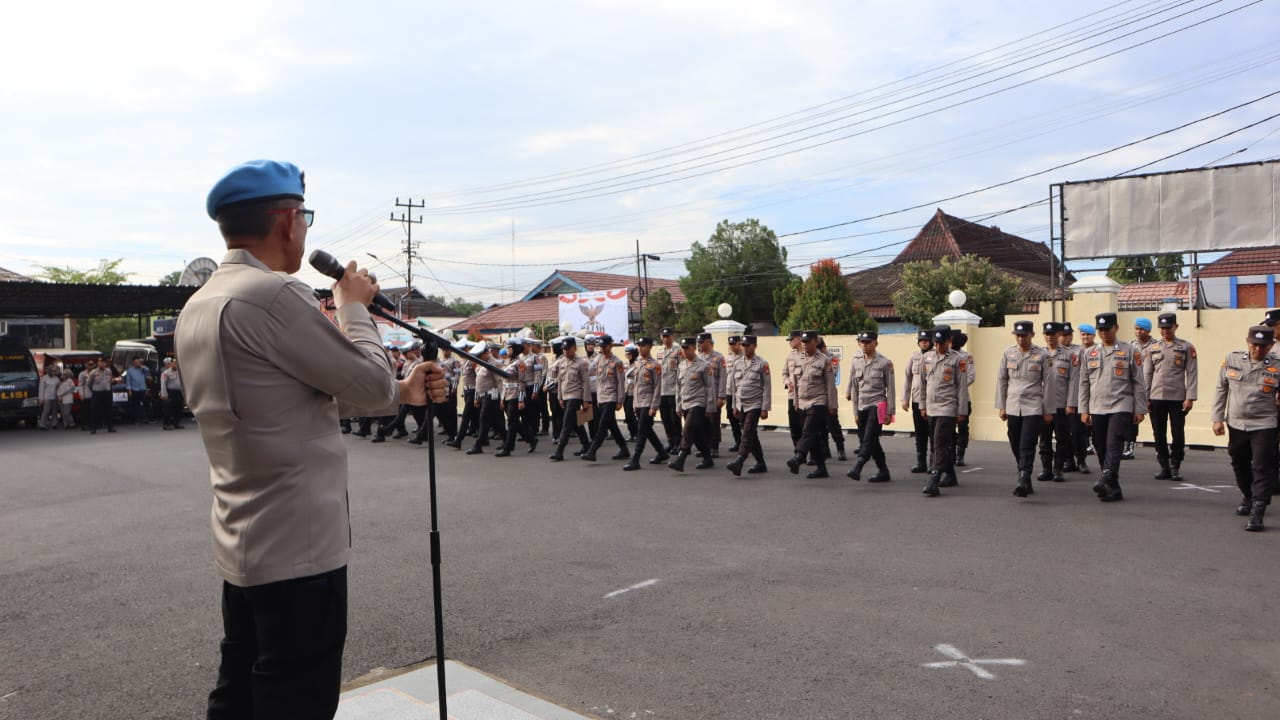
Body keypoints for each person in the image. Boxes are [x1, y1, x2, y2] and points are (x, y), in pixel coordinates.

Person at [178, 159, 445, 720]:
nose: (304, 229)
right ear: (287, 220)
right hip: (298, 551)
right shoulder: (273, 295)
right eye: (305, 217)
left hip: (243, 538)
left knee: (240, 690)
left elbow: (287, 401)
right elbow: (367, 382)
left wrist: (403, 391)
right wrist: (353, 306)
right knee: (296, 698)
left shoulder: (201, 303)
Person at [1212, 325, 1280, 531]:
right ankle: (1248, 496)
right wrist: (1217, 418)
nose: (1258, 349)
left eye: (1263, 346)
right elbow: (1221, 388)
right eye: (1254, 345)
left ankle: (1258, 511)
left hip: (1264, 423)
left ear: (1271, 345)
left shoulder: (1277, 365)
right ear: (1247, 342)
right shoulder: (1232, 359)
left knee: (1262, 466)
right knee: (1239, 463)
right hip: (1237, 423)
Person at [1074, 312, 1147, 503]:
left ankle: (1106, 476)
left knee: (1114, 442)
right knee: (1100, 445)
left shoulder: (1130, 351)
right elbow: (1083, 383)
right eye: (1100, 330)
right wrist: (1083, 409)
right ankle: (1112, 487)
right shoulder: (1089, 353)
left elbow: (1138, 382)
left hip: (1121, 404)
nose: (1104, 333)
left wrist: (1140, 409)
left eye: (1107, 329)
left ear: (1116, 328)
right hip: (1097, 406)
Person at [995, 321, 1053, 498]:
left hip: (1033, 406)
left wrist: (1048, 410)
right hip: (1013, 405)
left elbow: (1049, 384)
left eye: (1024, 335)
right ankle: (1023, 473)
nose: (1021, 339)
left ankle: (1024, 476)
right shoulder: (1008, 353)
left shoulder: (1042, 355)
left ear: (1032, 335)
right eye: (1018, 335)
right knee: (1015, 440)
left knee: (1027, 442)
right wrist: (1002, 405)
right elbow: (1002, 379)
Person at [1144, 313, 1197, 480]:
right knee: (1158, 433)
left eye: (1168, 327)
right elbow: (1147, 374)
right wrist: (1145, 398)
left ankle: (1175, 465)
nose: (1165, 331)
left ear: (1176, 327)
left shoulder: (1186, 347)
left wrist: (1190, 397)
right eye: (1162, 328)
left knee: (1177, 432)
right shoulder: (1152, 348)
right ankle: (1164, 465)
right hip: (1156, 396)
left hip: (1177, 397)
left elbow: (1192, 373)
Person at [919, 326, 970, 496]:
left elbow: (962, 387)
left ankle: (934, 479)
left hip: (948, 407)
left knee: (940, 442)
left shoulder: (958, 360)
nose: (938, 346)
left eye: (942, 343)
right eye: (936, 343)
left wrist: (961, 411)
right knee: (936, 443)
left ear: (949, 341)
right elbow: (922, 383)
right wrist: (922, 405)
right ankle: (951, 475)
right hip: (931, 407)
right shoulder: (927, 358)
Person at [785, 330, 839, 480]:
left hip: (818, 401)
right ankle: (821, 468)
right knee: (813, 436)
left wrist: (832, 405)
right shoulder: (798, 359)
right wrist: (796, 402)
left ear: (816, 341)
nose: (804, 344)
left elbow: (830, 385)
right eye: (803, 341)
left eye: (808, 341)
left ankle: (799, 457)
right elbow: (796, 383)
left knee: (808, 431)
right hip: (802, 402)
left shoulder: (824, 360)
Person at [844, 331, 894, 483]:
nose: (864, 345)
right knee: (869, 439)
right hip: (862, 405)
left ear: (876, 343)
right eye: (862, 342)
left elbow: (891, 389)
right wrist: (855, 411)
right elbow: (855, 388)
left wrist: (890, 412)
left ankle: (859, 465)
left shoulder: (885, 362)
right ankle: (883, 471)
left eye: (868, 342)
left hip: (878, 404)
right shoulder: (856, 361)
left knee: (869, 436)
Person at [725, 334, 771, 476]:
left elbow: (767, 387)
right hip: (741, 404)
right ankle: (761, 463)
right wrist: (734, 406)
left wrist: (765, 408)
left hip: (755, 404)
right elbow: (734, 387)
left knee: (747, 432)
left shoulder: (762, 363)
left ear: (754, 346)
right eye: (743, 345)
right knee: (751, 434)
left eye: (747, 345)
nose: (744, 348)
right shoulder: (737, 363)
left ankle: (739, 460)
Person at [668, 336, 716, 472]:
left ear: (694, 348)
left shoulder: (704, 365)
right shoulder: (681, 365)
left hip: (698, 403)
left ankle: (681, 458)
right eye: (682, 348)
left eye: (686, 348)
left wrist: (710, 406)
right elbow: (678, 387)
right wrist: (678, 404)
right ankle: (707, 458)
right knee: (696, 433)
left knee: (688, 429)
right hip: (685, 403)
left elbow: (710, 387)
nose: (684, 350)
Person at [622, 336, 668, 471]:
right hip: (638, 401)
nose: (640, 348)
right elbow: (635, 385)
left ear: (650, 347)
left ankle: (635, 459)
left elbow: (658, 387)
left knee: (641, 430)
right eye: (639, 346)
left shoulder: (655, 365)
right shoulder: (637, 362)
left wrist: (654, 406)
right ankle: (661, 452)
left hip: (648, 402)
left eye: (643, 346)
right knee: (647, 429)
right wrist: (635, 403)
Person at [583, 335, 630, 462]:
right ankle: (624, 449)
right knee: (612, 425)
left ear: (611, 346)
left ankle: (592, 451)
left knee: (602, 425)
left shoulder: (617, 362)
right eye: (601, 347)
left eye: (604, 346)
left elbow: (621, 382)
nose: (602, 349)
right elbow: (596, 379)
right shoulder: (598, 360)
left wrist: (620, 401)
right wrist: (598, 399)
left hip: (611, 397)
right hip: (602, 397)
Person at [549, 337, 591, 461]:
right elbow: (560, 381)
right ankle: (587, 446)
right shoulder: (561, 362)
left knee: (566, 423)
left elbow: (586, 382)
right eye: (564, 349)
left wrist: (586, 400)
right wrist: (560, 397)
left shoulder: (581, 363)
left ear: (575, 348)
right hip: (565, 395)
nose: (566, 351)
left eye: (568, 349)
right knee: (576, 422)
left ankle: (559, 451)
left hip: (575, 396)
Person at [495, 339, 538, 457]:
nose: (507, 350)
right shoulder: (506, 362)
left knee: (511, 422)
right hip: (506, 394)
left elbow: (522, 382)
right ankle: (531, 439)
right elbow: (503, 382)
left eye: (509, 348)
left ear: (514, 350)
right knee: (514, 422)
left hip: (515, 395)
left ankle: (508, 448)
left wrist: (520, 400)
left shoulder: (520, 363)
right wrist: (502, 398)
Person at [1123, 317, 1156, 459]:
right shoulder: (1129, 345)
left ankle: (1160, 446)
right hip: (1134, 386)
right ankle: (1129, 445)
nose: (1138, 331)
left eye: (1142, 329)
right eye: (1136, 329)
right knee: (1133, 417)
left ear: (1148, 330)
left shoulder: (1155, 346)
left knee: (1157, 420)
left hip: (1152, 387)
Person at [901, 330, 934, 474]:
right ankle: (921, 462)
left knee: (933, 432)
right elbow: (907, 377)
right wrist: (905, 398)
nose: (924, 343)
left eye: (926, 340)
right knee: (920, 432)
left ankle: (933, 463)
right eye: (921, 340)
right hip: (916, 399)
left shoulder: (935, 356)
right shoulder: (914, 357)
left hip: (932, 401)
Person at [1069, 323, 1097, 472]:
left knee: (1097, 430)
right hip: (1080, 396)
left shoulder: (1099, 350)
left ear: (1094, 335)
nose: (1085, 337)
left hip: (1097, 395)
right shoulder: (1075, 352)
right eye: (1083, 334)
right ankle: (1080, 460)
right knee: (1077, 431)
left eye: (1088, 334)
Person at [696, 332, 728, 458]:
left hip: (714, 395)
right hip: (701, 395)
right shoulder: (698, 358)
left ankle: (714, 447)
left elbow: (723, 378)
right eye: (698, 342)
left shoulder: (719, 358)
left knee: (714, 421)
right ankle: (705, 447)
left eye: (701, 342)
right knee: (702, 422)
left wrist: (721, 396)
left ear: (708, 342)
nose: (699, 345)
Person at [467, 343, 502, 455]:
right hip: (484, 395)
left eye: (479, 356)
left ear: (486, 353)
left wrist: (502, 398)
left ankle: (478, 445)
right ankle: (525, 439)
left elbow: (499, 382)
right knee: (498, 421)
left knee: (483, 419)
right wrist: (477, 397)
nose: (478, 358)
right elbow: (479, 382)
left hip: (492, 395)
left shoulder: (493, 364)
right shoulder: (483, 363)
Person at [817, 339, 847, 463]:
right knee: (820, 426)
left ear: (823, 348)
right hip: (816, 396)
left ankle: (840, 449)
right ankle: (825, 451)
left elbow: (832, 373)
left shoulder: (832, 358)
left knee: (833, 423)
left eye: (818, 349)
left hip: (829, 395)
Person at [657, 327, 683, 453]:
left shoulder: (678, 351)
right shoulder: (660, 352)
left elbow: (682, 369)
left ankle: (678, 443)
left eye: (668, 336)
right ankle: (670, 442)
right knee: (665, 418)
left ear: (673, 336)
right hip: (662, 390)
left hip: (673, 390)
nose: (666, 338)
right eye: (664, 336)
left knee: (675, 419)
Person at [951, 331, 975, 466]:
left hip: (963, 398)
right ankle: (951, 451)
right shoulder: (944, 354)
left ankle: (960, 454)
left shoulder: (966, 356)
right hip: (947, 398)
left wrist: (957, 386)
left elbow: (971, 377)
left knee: (963, 426)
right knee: (947, 426)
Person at [783, 330, 804, 452]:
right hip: (792, 395)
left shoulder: (808, 354)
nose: (789, 342)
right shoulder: (789, 356)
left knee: (805, 426)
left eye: (791, 339)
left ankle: (808, 452)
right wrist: (786, 381)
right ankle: (797, 450)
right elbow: (784, 373)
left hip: (805, 396)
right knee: (794, 425)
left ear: (799, 339)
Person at [724, 335, 745, 453]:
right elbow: (725, 376)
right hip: (729, 392)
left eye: (734, 344)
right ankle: (738, 441)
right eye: (730, 344)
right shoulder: (728, 358)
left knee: (743, 418)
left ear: (739, 344)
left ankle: (747, 443)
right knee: (732, 418)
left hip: (740, 393)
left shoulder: (745, 357)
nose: (731, 346)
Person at [86, 357, 117, 434]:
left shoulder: (108, 371)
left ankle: (110, 427)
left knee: (109, 410)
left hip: (107, 393)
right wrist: (94, 390)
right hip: (97, 393)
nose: (102, 364)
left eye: (104, 362)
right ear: (98, 363)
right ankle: (93, 428)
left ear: (106, 363)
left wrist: (112, 385)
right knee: (95, 410)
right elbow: (89, 383)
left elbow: (110, 381)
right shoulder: (93, 372)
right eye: (100, 362)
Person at [159, 357, 186, 430]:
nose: (175, 365)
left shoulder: (180, 372)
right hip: (171, 392)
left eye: (177, 363)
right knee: (168, 409)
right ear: (170, 364)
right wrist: (164, 394)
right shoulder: (166, 373)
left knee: (179, 408)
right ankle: (166, 424)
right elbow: (163, 384)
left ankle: (177, 423)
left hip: (179, 392)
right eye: (174, 363)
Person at [124, 356, 151, 424]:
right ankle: (137, 419)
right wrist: (129, 390)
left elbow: (148, 370)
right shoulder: (130, 370)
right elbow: (128, 381)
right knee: (136, 405)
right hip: (134, 389)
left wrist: (141, 366)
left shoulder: (142, 369)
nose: (137, 363)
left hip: (142, 388)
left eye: (138, 361)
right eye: (136, 362)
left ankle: (148, 418)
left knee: (146, 403)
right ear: (133, 362)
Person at [622, 343, 639, 440]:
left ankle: (637, 433)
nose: (628, 356)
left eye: (630, 354)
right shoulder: (625, 364)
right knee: (627, 415)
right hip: (626, 392)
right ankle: (632, 434)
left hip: (634, 393)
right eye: (627, 354)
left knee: (631, 414)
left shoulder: (638, 364)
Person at [38, 363, 61, 430]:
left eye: (55, 371)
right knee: (46, 411)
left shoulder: (57, 379)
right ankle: (42, 424)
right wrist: (41, 399)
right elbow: (41, 389)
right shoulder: (44, 378)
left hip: (55, 397)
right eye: (53, 371)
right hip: (47, 397)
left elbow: (60, 388)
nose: (54, 372)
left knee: (55, 411)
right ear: (49, 371)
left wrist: (59, 396)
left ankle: (54, 424)